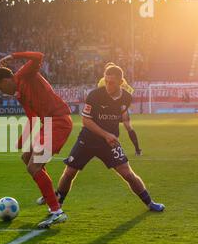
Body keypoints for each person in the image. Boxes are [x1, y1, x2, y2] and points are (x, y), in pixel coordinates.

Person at [53, 65, 164, 212]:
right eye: (106, 81)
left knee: (128, 173)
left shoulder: (127, 97)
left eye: (111, 82)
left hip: (110, 143)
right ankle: (56, 205)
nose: (107, 85)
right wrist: (106, 134)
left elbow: (119, 115)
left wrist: (116, 131)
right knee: (70, 172)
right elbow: (86, 121)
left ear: (120, 82)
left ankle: (150, 203)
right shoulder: (94, 95)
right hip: (87, 140)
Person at [0, 51, 73, 229]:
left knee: (34, 166)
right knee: (26, 157)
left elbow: (38, 56)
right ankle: (51, 196)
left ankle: (56, 211)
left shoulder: (23, 75)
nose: (1, 92)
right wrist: (22, 141)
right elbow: (32, 119)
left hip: (58, 122)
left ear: (6, 81)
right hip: (48, 124)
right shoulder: (19, 94)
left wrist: (12, 56)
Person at [98, 62, 142, 156]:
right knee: (128, 127)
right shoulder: (122, 80)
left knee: (103, 129)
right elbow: (130, 91)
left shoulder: (102, 80)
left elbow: (99, 95)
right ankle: (137, 150)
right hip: (121, 106)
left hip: (109, 108)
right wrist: (125, 103)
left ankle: (107, 152)